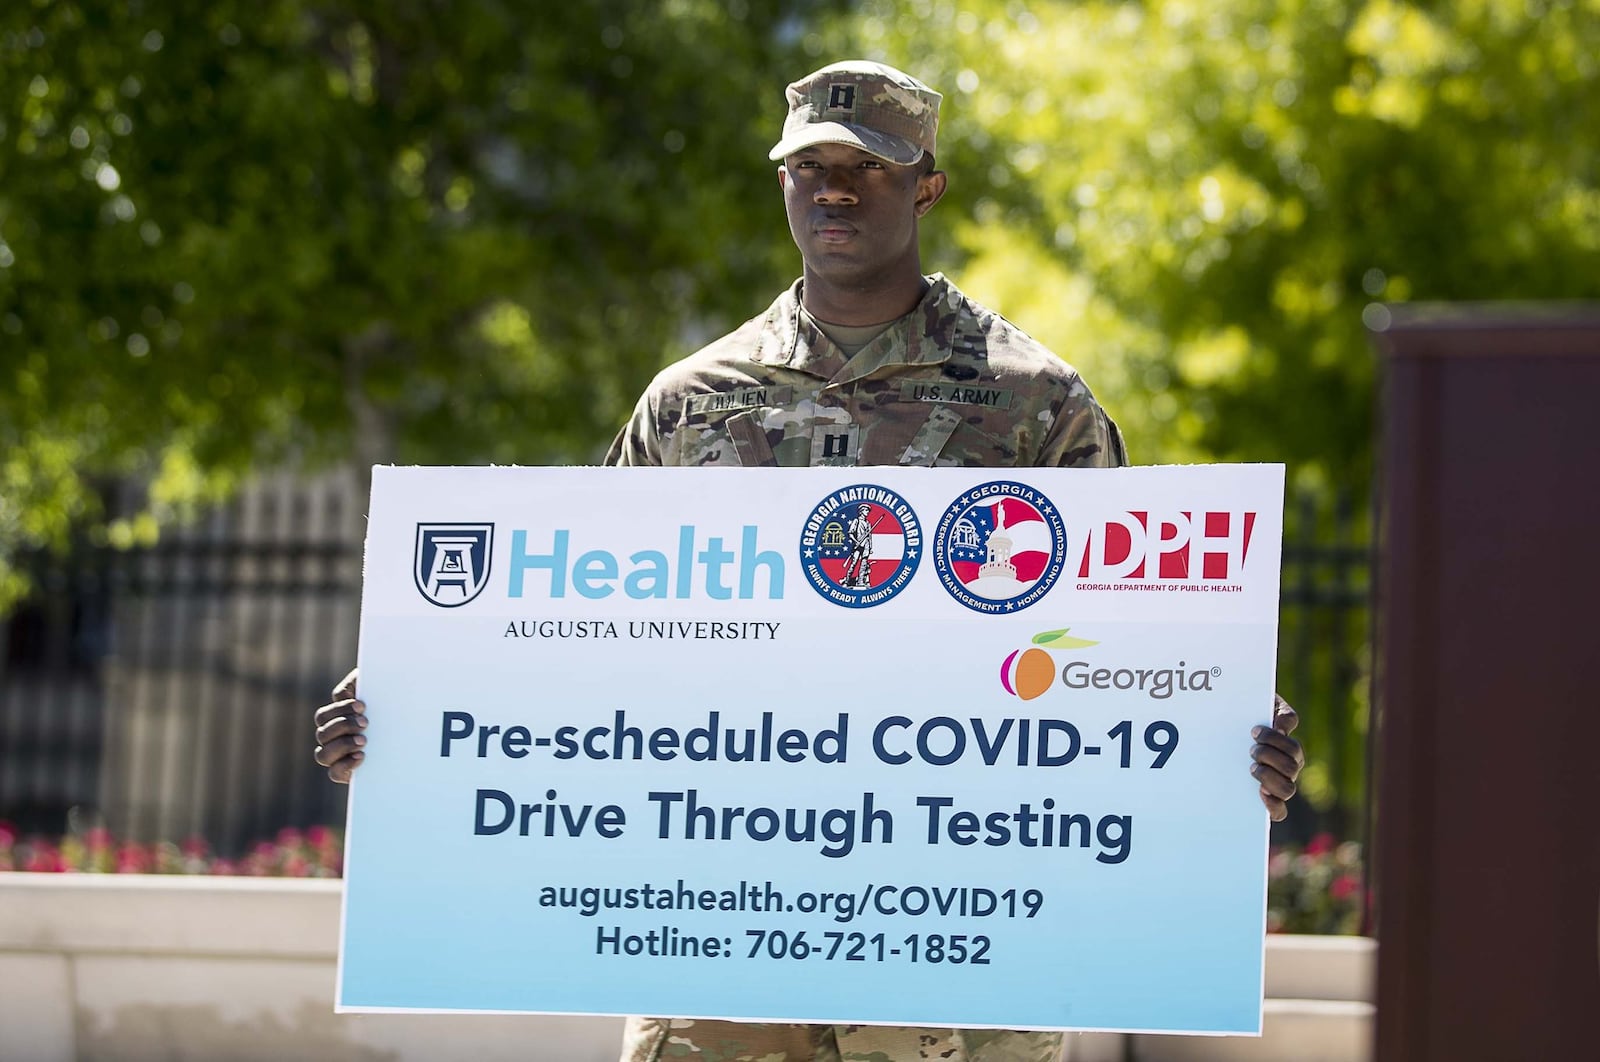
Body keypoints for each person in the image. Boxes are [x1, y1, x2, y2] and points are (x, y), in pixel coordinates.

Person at [314, 60, 1306, 1062]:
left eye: (868, 167)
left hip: (953, 962)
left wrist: (1220, 757)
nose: (834, 187)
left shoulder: (1035, 408)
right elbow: (574, 638)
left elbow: (1121, 658)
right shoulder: (689, 402)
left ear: (926, 182)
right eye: (808, 165)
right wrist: (420, 710)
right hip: (718, 950)